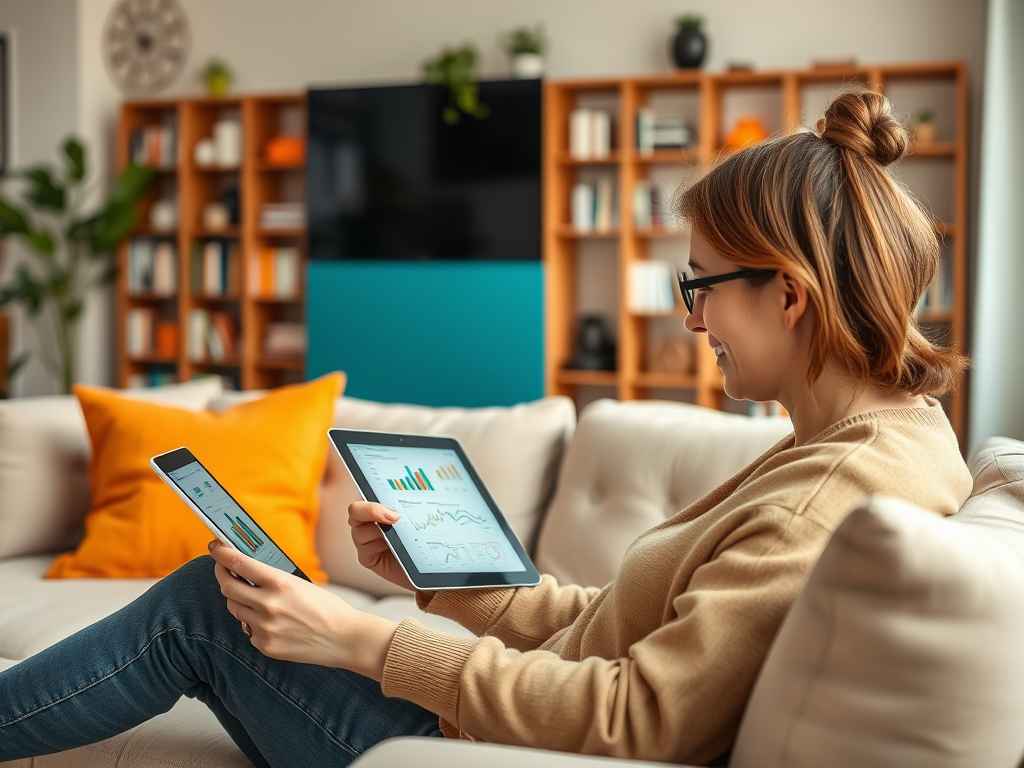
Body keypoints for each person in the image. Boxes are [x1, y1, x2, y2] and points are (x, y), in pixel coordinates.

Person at [0, 88, 971, 768]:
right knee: (240, 604)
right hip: (495, 725)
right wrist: (442, 585)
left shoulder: (820, 495)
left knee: (202, 606)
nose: (692, 318)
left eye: (699, 285)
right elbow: (611, 635)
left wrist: (365, 644)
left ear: (789, 296)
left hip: (475, 750)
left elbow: (640, 715)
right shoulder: (867, 445)